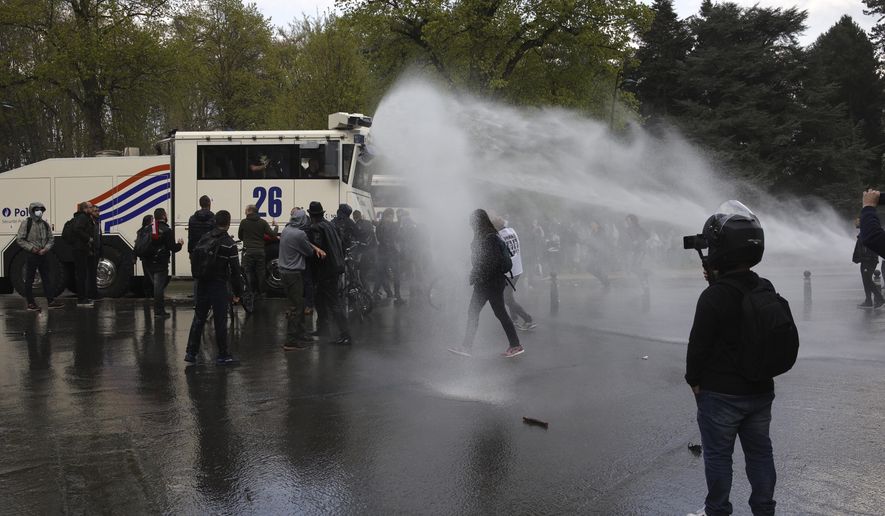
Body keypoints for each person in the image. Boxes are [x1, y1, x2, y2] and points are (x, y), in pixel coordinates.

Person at [685, 202, 778, 516]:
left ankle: (717, 510)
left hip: (721, 395)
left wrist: (694, 382)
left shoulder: (714, 296)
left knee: (719, 457)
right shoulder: (764, 287)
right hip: (760, 390)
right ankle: (765, 509)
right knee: (761, 454)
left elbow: (697, 347)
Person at [449, 209, 524, 358]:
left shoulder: (489, 238)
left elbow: (490, 263)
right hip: (489, 282)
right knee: (487, 313)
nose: (471, 225)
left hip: (489, 283)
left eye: (472, 222)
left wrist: (476, 275)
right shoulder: (488, 235)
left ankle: (467, 347)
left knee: (483, 313)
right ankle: (514, 345)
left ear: (479, 222)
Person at [185, 210, 242, 365]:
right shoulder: (229, 244)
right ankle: (223, 355)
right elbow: (235, 271)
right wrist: (238, 293)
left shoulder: (206, 237)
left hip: (203, 282)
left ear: (215, 221)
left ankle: (191, 352)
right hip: (218, 284)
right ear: (229, 223)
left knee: (199, 317)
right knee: (220, 320)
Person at [279, 208, 326, 350]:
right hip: (293, 274)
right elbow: (309, 252)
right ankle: (291, 341)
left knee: (296, 303)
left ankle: (300, 334)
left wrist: (313, 246)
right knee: (297, 308)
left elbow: (303, 243)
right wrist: (317, 249)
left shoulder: (287, 229)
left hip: (284, 272)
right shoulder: (299, 234)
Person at [307, 201, 351, 345]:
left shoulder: (316, 228)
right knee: (320, 299)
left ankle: (345, 335)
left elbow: (317, 251)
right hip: (336, 265)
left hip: (326, 269)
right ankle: (322, 328)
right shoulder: (330, 225)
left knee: (333, 302)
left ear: (311, 215)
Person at [16, 202, 63, 311]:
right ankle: (30, 303)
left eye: (41, 209)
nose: (39, 211)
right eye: (37, 209)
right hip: (32, 254)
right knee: (29, 279)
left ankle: (51, 301)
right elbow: (20, 239)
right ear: (32, 211)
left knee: (47, 278)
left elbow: (51, 239)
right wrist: (32, 249)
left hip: (43, 254)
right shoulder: (26, 223)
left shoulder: (45, 224)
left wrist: (45, 249)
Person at [493, 216, 536, 330]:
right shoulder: (512, 231)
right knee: (509, 296)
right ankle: (514, 319)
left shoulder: (498, 237)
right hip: (517, 269)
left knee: (507, 298)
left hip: (509, 271)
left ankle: (528, 320)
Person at [144, 208, 183, 318]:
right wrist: (180, 244)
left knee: (156, 286)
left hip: (149, 262)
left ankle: (157, 310)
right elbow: (172, 248)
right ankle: (159, 311)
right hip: (161, 262)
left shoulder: (149, 228)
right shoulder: (167, 230)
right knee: (159, 287)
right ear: (164, 216)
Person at [238, 204, 277, 300]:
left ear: (249, 211)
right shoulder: (262, 222)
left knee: (248, 272)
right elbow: (272, 235)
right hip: (260, 251)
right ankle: (262, 293)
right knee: (261, 273)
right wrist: (276, 226)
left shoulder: (244, 222)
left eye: (245, 210)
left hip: (248, 251)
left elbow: (240, 236)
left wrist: (247, 239)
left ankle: (251, 292)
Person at [188, 196, 215, 300]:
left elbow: (190, 237)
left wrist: (190, 252)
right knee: (211, 277)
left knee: (197, 277)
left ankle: (197, 302)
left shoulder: (192, 219)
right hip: (209, 251)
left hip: (196, 251)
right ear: (209, 204)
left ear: (200, 204)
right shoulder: (214, 218)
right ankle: (210, 300)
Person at [853, 217, 884, 308]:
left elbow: (870, 247)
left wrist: (866, 257)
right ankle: (868, 300)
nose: (855, 222)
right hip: (865, 260)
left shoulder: (867, 233)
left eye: (857, 221)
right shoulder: (864, 232)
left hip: (868, 260)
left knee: (867, 280)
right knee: (866, 281)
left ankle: (880, 298)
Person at [70, 201, 96, 307]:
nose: (92, 208)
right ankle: (81, 299)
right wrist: (88, 238)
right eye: (90, 207)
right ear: (85, 209)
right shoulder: (83, 218)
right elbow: (77, 229)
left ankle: (83, 298)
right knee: (81, 275)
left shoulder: (84, 217)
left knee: (82, 274)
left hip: (81, 249)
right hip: (80, 250)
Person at [374, 208, 402, 302]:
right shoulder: (392, 225)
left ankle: (374, 294)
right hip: (392, 253)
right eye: (392, 215)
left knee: (380, 274)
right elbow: (396, 238)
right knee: (397, 275)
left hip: (381, 252)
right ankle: (397, 296)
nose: (392, 217)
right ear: (389, 215)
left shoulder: (379, 225)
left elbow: (379, 238)